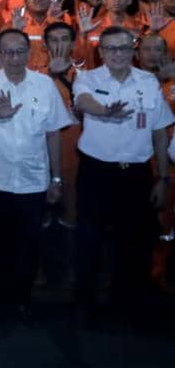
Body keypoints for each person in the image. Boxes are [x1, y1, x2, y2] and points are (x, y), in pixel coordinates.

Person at [71, 26, 173, 324]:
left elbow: (159, 133)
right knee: (89, 240)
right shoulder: (88, 78)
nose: (117, 54)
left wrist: (163, 178)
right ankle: (84, 303)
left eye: (124, 48)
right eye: (111, 49)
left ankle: (125, 304)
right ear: (100, 52)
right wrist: (103, 110)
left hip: (136, 175)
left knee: (133, 243)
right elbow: (82, 101)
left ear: (134, 51)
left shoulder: (148, 83)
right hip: (96, 173)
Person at [0, 29, 72, 323]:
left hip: (33, 179)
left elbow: (53, 133)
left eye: (19, 52)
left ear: (29, 53)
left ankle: (22, 299)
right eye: (8, 52)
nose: (14, 58)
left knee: (27, 245)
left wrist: (55, 179)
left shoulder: (44, 85)